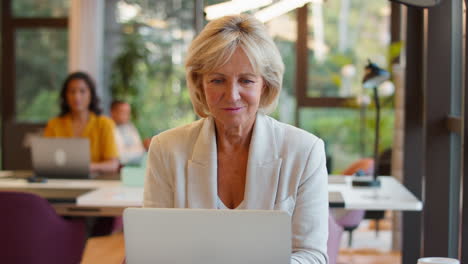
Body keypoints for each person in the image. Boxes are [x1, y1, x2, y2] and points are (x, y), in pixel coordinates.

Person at [143, 15, 328, 264]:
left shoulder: (305, 151)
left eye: (246, 80)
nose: (231, 95)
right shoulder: (166, 149)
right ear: (200, 84)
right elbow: (153, 249)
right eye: (217, 80)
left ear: (265, 85)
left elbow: (312, 254)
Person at [44, 71, 119, 173]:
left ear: (91, 94)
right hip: (60, 182)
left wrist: (88, 167)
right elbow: (45, 162)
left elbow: (113, 164)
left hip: (96, 182)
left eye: (82, 91)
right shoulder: (53, 124)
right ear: (65, 96)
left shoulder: (105, 124)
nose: (77, 97)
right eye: (72, 91)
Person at [110, 100, 146, 165]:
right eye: (123, 112)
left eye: (128, 113)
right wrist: (142, 148)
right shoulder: (109, 128)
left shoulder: (130, 126)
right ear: (113, 112)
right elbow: (120, 157)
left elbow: (139, 147)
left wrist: (141, 148)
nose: (127, 116)